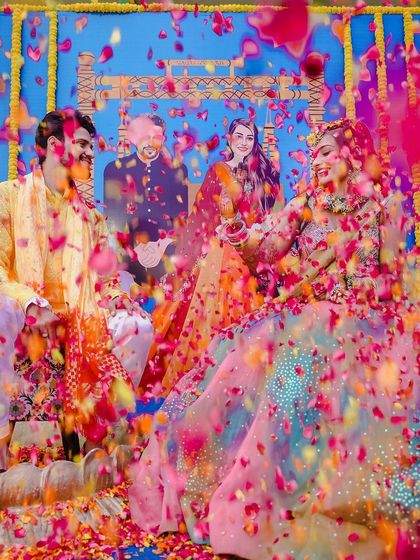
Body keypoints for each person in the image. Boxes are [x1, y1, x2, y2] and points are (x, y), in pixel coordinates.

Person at [128, 118, 417, 559]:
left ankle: (335, 493)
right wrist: (239, 230)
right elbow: (264, 249)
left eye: (326, 152)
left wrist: (365, 301)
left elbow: (395, 281)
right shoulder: (305, 204)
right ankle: (269, 490)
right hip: (305, 322)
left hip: (364, 327)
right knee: (263, 365)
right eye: (314, 154)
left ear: (352, 156)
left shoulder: (381, 210)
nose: (317, 161)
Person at [0, 109, 154, 467]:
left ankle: (92, 439)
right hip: (23, 314)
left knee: (138, 326)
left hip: (77, 320)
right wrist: (31, 304)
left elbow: (106, 282)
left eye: (91, 146)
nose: (89, 153)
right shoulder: (9, 196)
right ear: (55, 145)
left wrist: (116, 300)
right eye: (82, 144)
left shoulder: (92, 218)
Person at [142, 117, 282, 394]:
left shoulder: (258, 174)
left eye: (249, 138)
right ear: (229, 139)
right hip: (221, 246)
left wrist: (255, 229)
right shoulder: (218, 170)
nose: (244, 143)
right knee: (225, 282)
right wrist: (220, 231)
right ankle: (209, 375)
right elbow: (202, 214)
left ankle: (242, 375)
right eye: (239, 136)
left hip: (250, 245)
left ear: (255, 142)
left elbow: (262, 214)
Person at [104, 113, 188, 287]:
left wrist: (160, 247)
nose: (150, 143)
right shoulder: (114, 170)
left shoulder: (178, 170)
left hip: (167, 253)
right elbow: (111, 221)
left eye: (156, 137)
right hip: (127, 255)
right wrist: (136, 249)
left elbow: (182, 221)